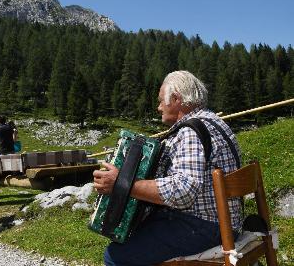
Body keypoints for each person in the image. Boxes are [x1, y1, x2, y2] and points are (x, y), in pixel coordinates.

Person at [93, 70, 242, 265]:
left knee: (116, 256)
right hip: (225, 221)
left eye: (161, 100)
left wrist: (122, 183)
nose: (158, 107)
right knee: (136, 236)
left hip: (207, 227)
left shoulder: (190, 132)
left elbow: (183, 191)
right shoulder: (216, 122)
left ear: (176, 98)